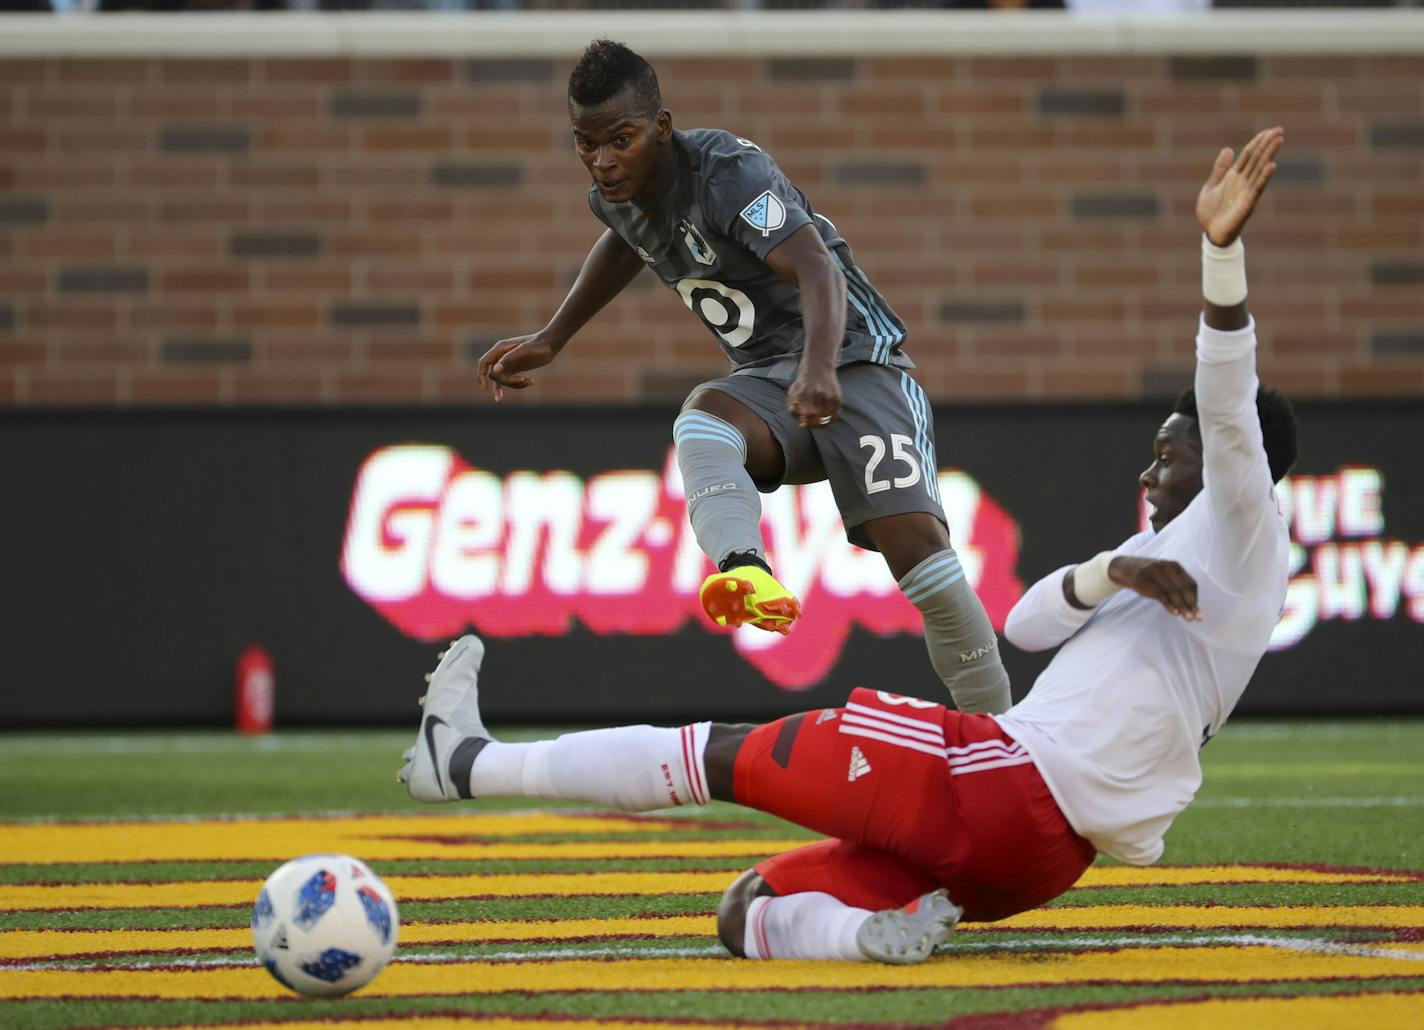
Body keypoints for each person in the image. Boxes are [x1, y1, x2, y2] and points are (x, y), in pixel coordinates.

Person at [421, 129, 1298, 964]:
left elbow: (1226, 399)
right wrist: (1115, 569)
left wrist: (1221, 259)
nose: (1151, 472)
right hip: (1029, 863)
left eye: (1169, 453)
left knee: (716, 753)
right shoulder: (1179, 561)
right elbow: (1027, 627)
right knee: (747, 911)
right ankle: (865, 937)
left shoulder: (1245, 524)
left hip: (997, 781)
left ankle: (464, 764)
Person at [476, 39, 1010, 716]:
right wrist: (553, 337)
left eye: (621, 139)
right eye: (586, 143)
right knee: (703, 416)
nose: (604, 160)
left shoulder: (729, 172)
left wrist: (820, 369)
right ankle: (745, 570)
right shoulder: (615, 191)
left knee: (923, 568)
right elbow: (628, 240)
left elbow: (817, 266)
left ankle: (1004, 742)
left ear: (661, 128)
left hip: (856, 363)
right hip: (769, 376)